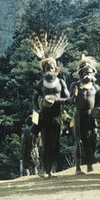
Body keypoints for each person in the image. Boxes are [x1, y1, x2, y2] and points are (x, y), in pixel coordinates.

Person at [30, 30, 71, 178]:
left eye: (52, 67)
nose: (50, 70)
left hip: (57, 117)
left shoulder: (61, 82)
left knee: (55, 144)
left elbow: (68, 98)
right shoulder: (40, 83)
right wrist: (37, 111)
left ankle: (51, 169)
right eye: (47, 68)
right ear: (42, 70)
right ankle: (44, 169)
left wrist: (56, 100)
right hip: (44, 117)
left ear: (57, 69)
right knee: (46, 143)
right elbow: (34, 99)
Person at [69, 55, 100, 175]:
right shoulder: (75, 85)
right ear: (81, 73)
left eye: (90, 73)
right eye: (86, 72)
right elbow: (70, 103)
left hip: (91, 116)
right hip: (79, 116)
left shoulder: (95, 87)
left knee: (93, 139)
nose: (88, 75)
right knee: (79, 140)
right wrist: (74, 96)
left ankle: (90, 164)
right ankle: (78, 168)